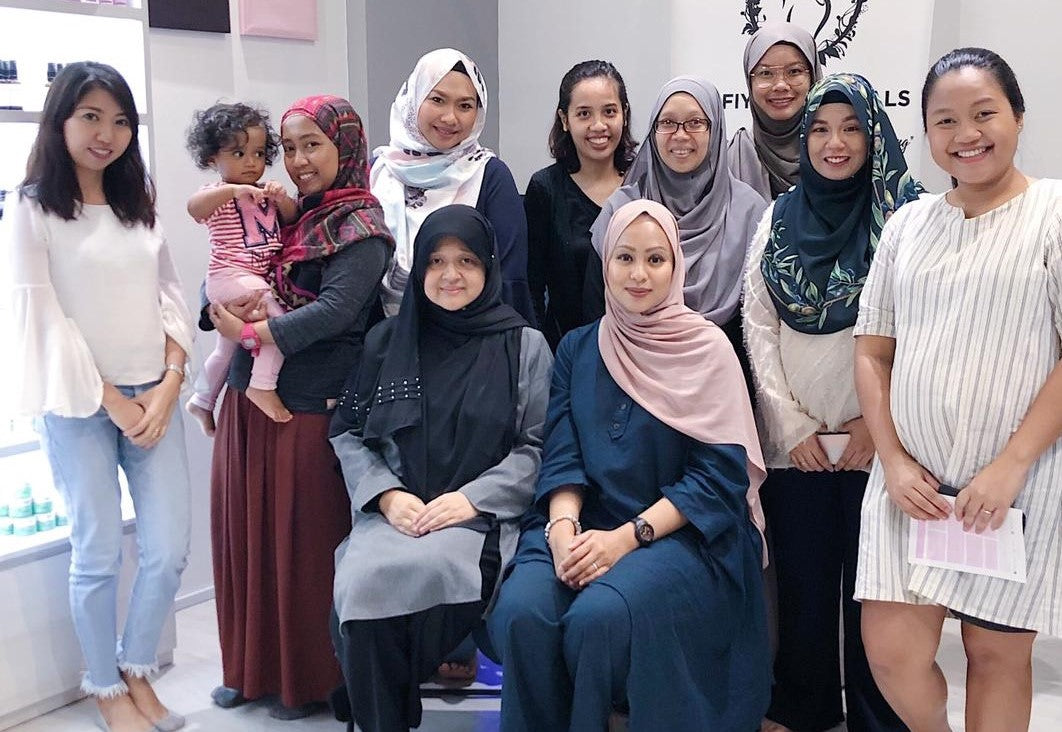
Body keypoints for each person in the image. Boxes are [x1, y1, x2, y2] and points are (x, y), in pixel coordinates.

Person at [489, 199, 770, 731]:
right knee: (524, 612)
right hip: (584, 521)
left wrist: (624, 539)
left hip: (683, 534)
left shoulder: (707, 350)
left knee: (599, 618)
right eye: (625, 258)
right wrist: (562, 531)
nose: (639, 274)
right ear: (605, 263)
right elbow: (563, 453)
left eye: (655, 259)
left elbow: (717, 480)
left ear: (676, 266)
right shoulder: (578, 347)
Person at [853, 48, 1062, 732]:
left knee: (995, 654)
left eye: (983, 114)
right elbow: (872, 350)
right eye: (945, 120)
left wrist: (1010, 466)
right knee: (890, 651)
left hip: (1015, 486)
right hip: (910, 487)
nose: (965, 134)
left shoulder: (1053, 213)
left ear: (1018, 117)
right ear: (927, 133)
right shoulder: (908, 224)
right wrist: (892, 459)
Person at [7, 61, 194, 732]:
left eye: (119, 121)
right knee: (97, 553)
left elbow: (170, 296)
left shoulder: (135, 202)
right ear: (60, 120)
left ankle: (136, 665)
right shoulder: (32, 207)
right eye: (90, 116)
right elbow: (43, 317)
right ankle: (104, 685)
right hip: (79, 406)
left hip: (155, 395)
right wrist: (112, 398)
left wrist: (169, 384)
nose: (105, 134)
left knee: (168, 549)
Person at [327, 204, 552, 732]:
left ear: (489, 267)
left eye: (467, 260)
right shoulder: (387, 341)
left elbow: (537, 446)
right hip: (397, 515)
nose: (451, 275)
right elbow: (348, 432)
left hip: (478, 519)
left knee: (435, 573)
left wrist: (472, 499)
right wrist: (387, 496)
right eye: (436, 261)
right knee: (361, 586)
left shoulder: (524, 345)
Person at [205, 95, 394, 720]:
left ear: (345, 146)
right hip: (247, 399)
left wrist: (251, 332)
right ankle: (247, 669)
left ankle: (306, 681)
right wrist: (217, 312)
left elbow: (336, 312)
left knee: (302, 549)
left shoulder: (362, 226)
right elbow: (233, 268)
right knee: (247, 539)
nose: (298, 160)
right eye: (287, 147)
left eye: (312, 144)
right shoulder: (285, 214)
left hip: (309, 408)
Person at [744, 73, 921, 732]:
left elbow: (923, 331)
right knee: (805, 588)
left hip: (884, 446)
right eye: (819, 128)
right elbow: (758, 324)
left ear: (874, 135)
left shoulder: (908, 219)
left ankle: (878, 716)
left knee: (878, 596)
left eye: (850, 128)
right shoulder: (778, 217)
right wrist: (789, 424)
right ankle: (806, 705)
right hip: (800, 450)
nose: (834, 142)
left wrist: (880, 425)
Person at [584, 76, 767, 387]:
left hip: (720, 385)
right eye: (667, 123)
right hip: (630, 378)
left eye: (695, 123)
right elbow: (594, 314)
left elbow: (760, 327)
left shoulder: (750, 213)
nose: (680, 135)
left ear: (715, 129)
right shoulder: (622, 211)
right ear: (652, 131)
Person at [372, 48, 535, 325]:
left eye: (465, 106)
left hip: (471, 333)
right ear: (414, 98)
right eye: (437, 100)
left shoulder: (490, 175)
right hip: (379, 334)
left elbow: (509, 278)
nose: (450, 118)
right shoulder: (376, 171)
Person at [183, 102, 297, 432]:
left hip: (252, 279)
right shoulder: (218, 195)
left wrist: (281, 199)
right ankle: (262, 384)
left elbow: (291, 218)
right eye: (238, 153)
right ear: (211, 158)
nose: (251, 162)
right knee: (279, 324)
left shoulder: (264, 193)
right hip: (229, 277)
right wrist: (232, 190)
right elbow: (194, 208)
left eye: (258, 154)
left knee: (225, 350)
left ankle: (201, 400)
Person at [525, 60, 637, 350]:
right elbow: (532, 287)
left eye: (609, 111)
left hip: (640, 351)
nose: (598, 126)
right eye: (584, 113)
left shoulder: (644, 182)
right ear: (564, 119)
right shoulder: (545, 188)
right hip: (566, 353)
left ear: (625, 114)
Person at [728, 22, 822, 201]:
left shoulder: (838, 154)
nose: (780, 85)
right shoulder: (730, 162)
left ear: (813, 76)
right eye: (765, 73)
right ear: (750, 81)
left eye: (794, 71)